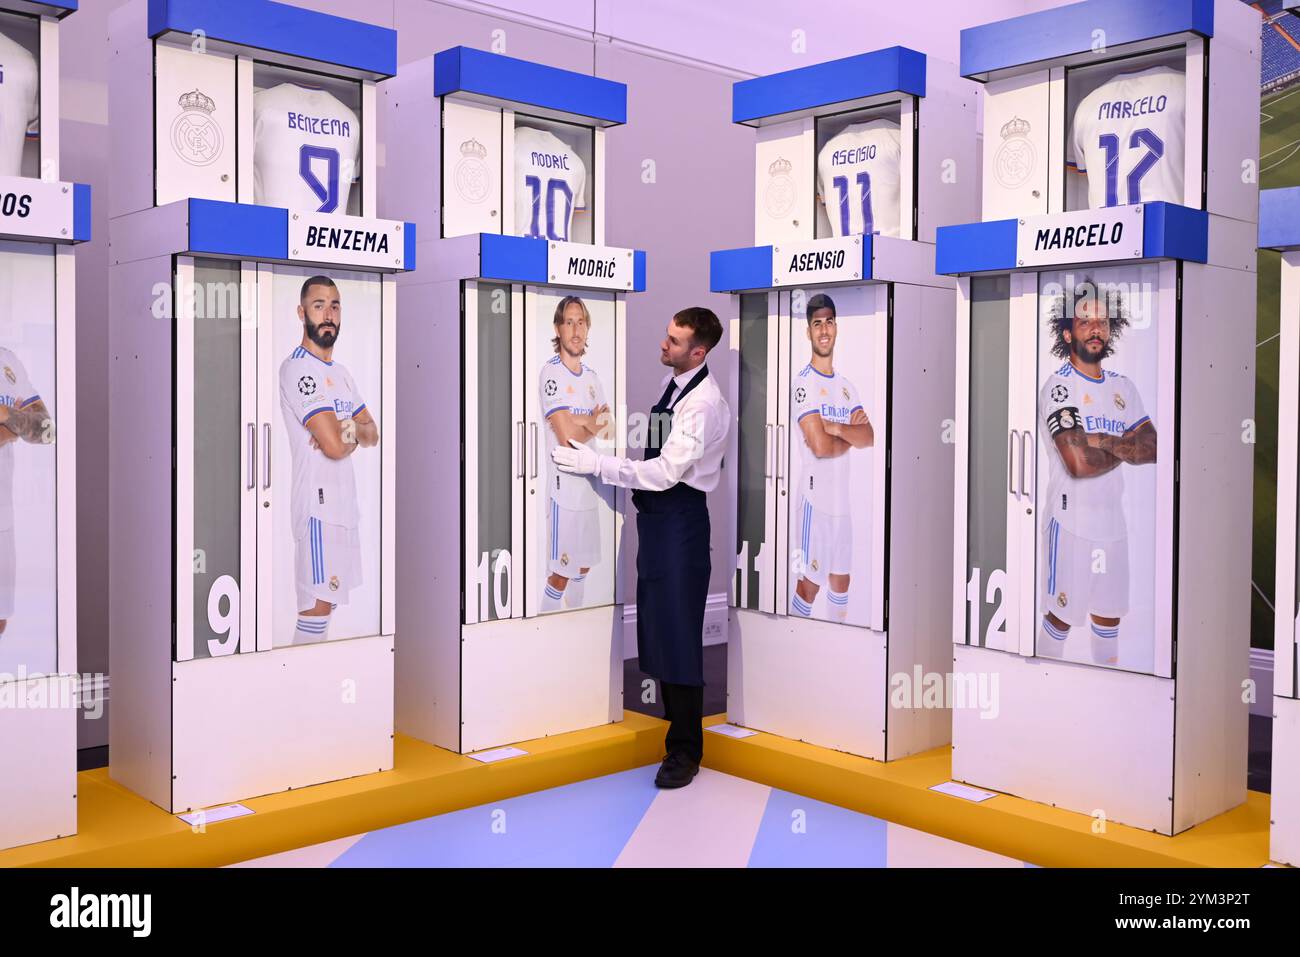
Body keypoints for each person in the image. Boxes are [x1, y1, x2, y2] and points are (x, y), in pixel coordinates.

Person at [553, 307, 729, 788]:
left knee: (678, 637)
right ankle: (675, 735)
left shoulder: (702, 405)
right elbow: (650, 450)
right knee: (658, 627)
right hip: (657, 523)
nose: (662, 345)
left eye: (673, 341)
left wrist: (599, 466)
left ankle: (686, 752)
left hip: (680, 525)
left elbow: (662, 472)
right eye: (666, 334)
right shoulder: (672, 387)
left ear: (699, 351)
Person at [1039, 278, 1156, 666]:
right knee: (1061, 618)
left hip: (1113, 526)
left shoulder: (1124, 387)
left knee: (1109, 620)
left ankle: (1106, 698)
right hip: (1070, 523)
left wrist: (1102, 439)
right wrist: (1125, 443)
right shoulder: (1059, 387)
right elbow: (1078, 463)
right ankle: (1043, 690)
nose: (1096, 329)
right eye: (1086, 321)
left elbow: (1153, 447)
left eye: (1103, 321)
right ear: (1068, 330)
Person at [278, 275, 378, 645]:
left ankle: (313, 692)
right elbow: (335, 448)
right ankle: (296, 695)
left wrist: (344, 426)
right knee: (316, 609)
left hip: (344, 508)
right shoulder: (298, 369)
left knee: (329, 607)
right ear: (302, 312)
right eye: (319, 305)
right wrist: (347, 432)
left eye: (335, 306)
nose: (328, 314)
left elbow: (372, 434)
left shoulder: (342, 374)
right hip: (317, 510)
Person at [790, 293, 873, 622]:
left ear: (836, 327)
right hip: (815, 502)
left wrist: (835, 427)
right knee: (809, 584)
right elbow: (820, 447)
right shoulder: (803, 383)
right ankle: (797, 647)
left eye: (829, 322)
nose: (824, 330)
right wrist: (843, 434)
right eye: (816, 323)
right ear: (808, 332)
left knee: (842, 581)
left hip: (842, 507)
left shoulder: (847, 387)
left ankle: (835, 648)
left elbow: (868, 437)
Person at [538, 295, 611, 611]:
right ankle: (545, 632)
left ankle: (575, 626)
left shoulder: (593, 378)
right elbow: (566, 439)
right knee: (561, 574)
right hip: (563, 490)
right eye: (569, 322)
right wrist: (589, 421)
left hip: (588, 488)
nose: (576, 329)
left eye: (581, 322)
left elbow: (608, 428)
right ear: (558, 328)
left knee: (583, 566)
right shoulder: (551, 373)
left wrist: (584, 421)